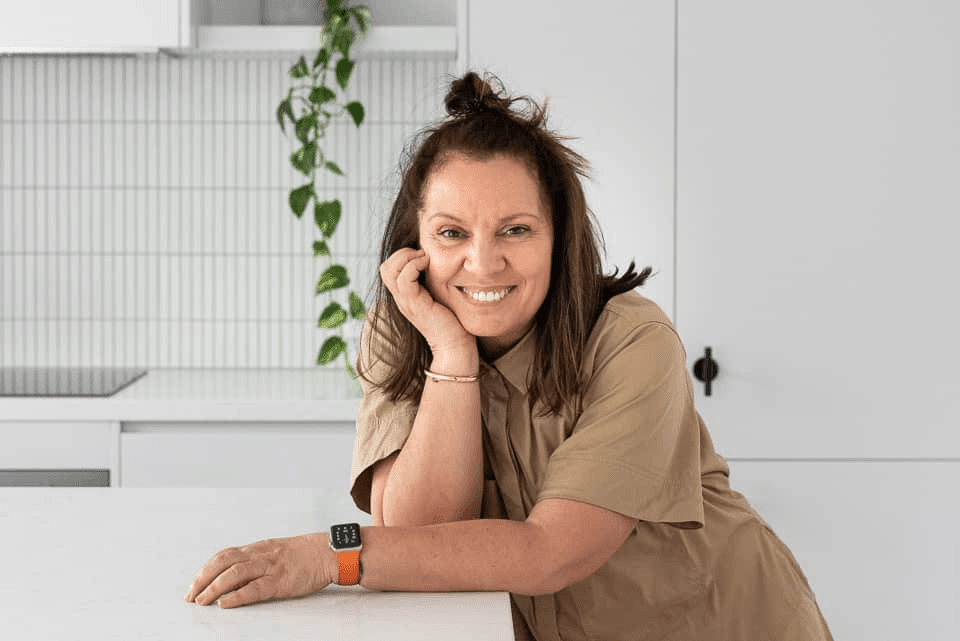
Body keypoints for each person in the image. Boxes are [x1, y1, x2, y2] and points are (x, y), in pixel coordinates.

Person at [184, 71, 834, 640]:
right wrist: (451, 356)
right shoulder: (402, 328)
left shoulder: (633, 341)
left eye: (515, 229)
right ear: (416, 243)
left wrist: (331, 554)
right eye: (451, 232)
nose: (483, 261)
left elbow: (553, 551)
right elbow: (420, 528)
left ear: (559, 237)